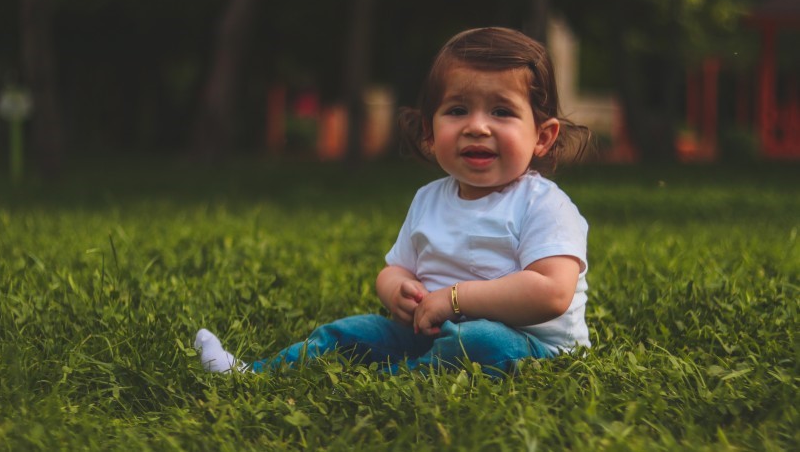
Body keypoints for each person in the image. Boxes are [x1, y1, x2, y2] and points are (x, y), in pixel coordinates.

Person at [195, 27, 592, 376]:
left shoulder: (544, 205)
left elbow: (550, 292)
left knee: (481, 341)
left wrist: (454, 300)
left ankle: (398, 382)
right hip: (426, 330)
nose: (476, 126)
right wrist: (399, 291)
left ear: (542, 136)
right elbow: (394, 269)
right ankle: (254, 373)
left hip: (527, 344)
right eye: (457, 110)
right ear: (429, 132)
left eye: (502, 111)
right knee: (350, 332)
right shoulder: (428, 199)